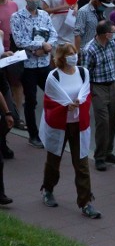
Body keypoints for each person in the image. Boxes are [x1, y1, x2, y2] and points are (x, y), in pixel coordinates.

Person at [38, 44, 100, 218]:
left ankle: (85, 202)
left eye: (75, 53)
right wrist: (66, 105)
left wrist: (79, 102)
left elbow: (86, 93)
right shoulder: (54, 76)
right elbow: (51, 100)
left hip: (78, 124)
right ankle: (48, 189)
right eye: (70, 54)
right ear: (62, 57)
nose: (74, 56)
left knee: (81, 163)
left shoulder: (83, 72)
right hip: (59, 125)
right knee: (53, 160)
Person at [82, 20, 115, 171]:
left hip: (112, 85)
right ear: (105, 34)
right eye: (113, 31)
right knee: (102, 122)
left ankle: (108, 152)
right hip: (98, 87)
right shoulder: (89, 49)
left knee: (113, 120)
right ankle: (99, 156)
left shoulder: (111, 43)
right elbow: (85, 73)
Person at [11, 0, 58, 148]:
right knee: (31, 101)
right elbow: (19, 41)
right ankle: (33, 134)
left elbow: (53, 34)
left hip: (44, 63)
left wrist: (47, 47)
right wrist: (39, 46)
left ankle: (54, 130)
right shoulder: (17, 17)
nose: (33, 0)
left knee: (55, 94)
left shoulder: (45, 15)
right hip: (28, 65)